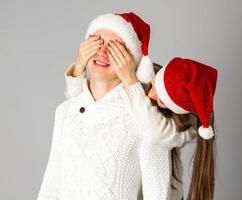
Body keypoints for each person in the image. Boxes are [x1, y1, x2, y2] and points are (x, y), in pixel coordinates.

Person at [37, 12, 193, 200]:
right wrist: (77, 67)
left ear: (131, 59)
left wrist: (131, 79)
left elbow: (157, 194)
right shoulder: (65, 112)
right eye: (97, 42)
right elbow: (51, 186)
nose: (102, 52)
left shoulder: (146, 120)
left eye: (114, 48)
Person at [65, 56, 218, 200]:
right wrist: (77, 70)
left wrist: (131, 82)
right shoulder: (147, 76)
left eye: (161, 101)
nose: (150, 95)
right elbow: (85, 108)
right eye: (154, 86)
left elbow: (154, 133)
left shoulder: (179, 125)